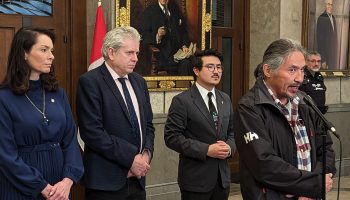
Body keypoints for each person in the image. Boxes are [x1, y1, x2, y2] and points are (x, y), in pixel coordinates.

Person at [233, 39, 336, 199]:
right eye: (292, 70)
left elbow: (326, 147)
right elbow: (264, 164)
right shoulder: (250, 107)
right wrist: (312, 185)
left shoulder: (305, 101)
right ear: (268, 70)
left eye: (302, 70)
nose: (299, 78)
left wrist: (313, 188)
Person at [0, 27, 84, 199]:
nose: (51, 56)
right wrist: (42, 187)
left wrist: (68, 180)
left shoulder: (58, 93)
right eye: (44, 50)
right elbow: (5, 154)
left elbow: (70, 141)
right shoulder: (4, 98)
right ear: (24, 53)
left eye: (51, 50)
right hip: (20, 186)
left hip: (59, 188)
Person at [76, 26, 155, 200]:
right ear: (111, 52)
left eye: (137, 53)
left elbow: (148, 124)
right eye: (129, 53)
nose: (135, 58)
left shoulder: (139, 81)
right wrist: (131, 159)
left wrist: (146, 155)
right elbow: (92, 133)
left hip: (138, 179)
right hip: (106, 182)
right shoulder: (90, 82)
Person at [164, 49, 236, 200]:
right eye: (210, 67)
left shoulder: (225, 99)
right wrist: (206, 150)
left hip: (222, 179)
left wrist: (229, 147)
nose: (216, 71)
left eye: (219, 67)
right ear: (196, 70)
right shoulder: (182, 101)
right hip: (195, 180)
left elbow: (233, 132)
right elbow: (172, 137)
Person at [139, 0, 193, 75]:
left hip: (178, 53)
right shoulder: (149, 11)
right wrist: (157, 35)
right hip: (161, 55)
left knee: (188, 63)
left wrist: (184, 45)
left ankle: (186, 86)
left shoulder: (175, 9)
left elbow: (183, 31)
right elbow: (143, 35)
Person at [317, 0, 338, 69]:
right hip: (326, 57)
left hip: (333, 57)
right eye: (328, 4)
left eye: (331, 5)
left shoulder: (333, 18)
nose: (330, 6)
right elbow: (320, 41)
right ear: (325, 5)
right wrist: (323, 60)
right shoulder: (321, 18)